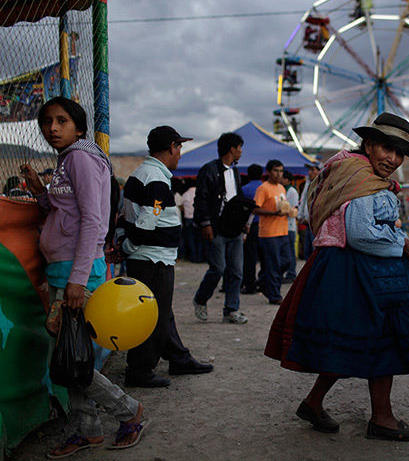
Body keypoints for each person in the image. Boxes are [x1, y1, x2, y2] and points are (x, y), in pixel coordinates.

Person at [264, 112, 409, 441]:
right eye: (387, 148)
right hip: (357, 269)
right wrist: (404, 244)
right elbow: (360, 233)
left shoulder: (350, 171)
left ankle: (316, 403)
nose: (393, 158)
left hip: (357, 267)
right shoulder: (358, 175)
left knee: (355, 340)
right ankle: (381, 418)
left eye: (399, 152)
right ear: (370, 144)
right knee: (380, 335)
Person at [20, 97, 147, 457]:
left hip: (76, 271)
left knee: (69, 359)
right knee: (70, 355)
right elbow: (66, 210)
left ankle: (129, 411)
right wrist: (40, 191)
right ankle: (89, 429)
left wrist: (76, 281)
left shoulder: (80, 158)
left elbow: (93, 220)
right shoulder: (67, 160)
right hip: (63, 268)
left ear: (79, 127)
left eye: (61, 121)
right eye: (46, 122)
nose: (52, 128)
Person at [114, 126, 213, 388]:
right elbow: (147, 222)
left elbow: (126, 216)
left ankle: (178, 357)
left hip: (149, 256)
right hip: (152, 258)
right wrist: (126, 248)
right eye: (179, 147)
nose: (180, 153)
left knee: (162, 310)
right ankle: (140, 369)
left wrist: (122, 243)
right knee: (153, 315)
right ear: (171, 147)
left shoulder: (142, 174)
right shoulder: (155, 178)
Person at [192, 132, 247, 324]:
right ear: (232, 149)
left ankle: (231, 310)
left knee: (236, 271)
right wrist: (205, 223)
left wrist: (243, 224)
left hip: (234, 229)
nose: (241, 151)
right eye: (240, 147)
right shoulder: (209, 170)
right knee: (218, 268)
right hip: (215, 228)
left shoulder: (235, 172)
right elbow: (201, 199)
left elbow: (237, 201)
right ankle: (200, 299)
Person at [253, 159, 289, 305]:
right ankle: (274, 295)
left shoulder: (281, 188)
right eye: (276, 171)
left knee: (287, 262)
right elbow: (255, 208)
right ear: (268, 172)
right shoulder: (263, 188)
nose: (279, 174)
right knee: (273, 264)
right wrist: (274, 213)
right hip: (269, 233)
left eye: (281, 171)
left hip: (283, 230)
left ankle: (263, 281)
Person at [240, 164, 264, 294]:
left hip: (251, 226)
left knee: (250, 256)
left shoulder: (244, 189)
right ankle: (263, 282)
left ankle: (249, 284)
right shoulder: (266, 188)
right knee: (265, 256)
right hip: (265, 225)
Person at [297, 160, 322, 259]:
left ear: (319, 171)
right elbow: (303, 200)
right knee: (308, 253)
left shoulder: (321, 185)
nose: (310, 172)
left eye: (313, 170)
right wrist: (300, 216)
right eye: (309, 170)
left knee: (314, 253)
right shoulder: (308, 183)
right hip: (307, 224)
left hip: (316, 225)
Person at [281, 169, 299, 283]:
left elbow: (291, 209)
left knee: (290, 252)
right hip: (284, 226)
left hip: (290, 225)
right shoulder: (284, 189)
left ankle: (291, 273)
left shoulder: (291, 191)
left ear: (287, 180)